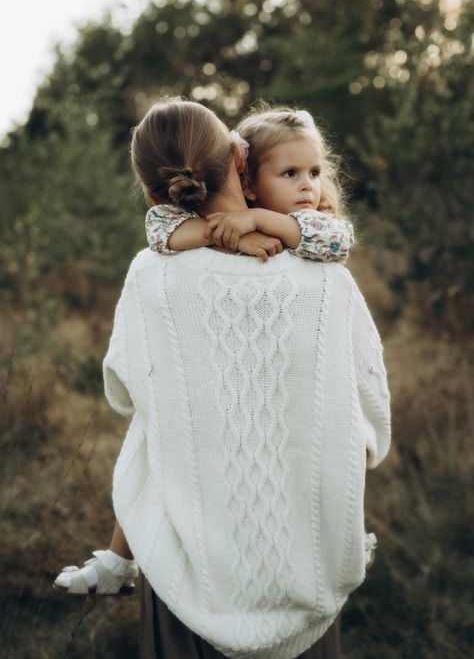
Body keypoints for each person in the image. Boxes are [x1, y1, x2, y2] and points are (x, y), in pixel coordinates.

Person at [58, 98, 391, 658]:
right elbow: (368, 417)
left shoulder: (150, 276)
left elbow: (125, 394)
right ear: (241, 159)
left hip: (189, 562)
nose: (308, 184)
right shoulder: (327, 283)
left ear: (153, 189)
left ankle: (118, 561)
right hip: (301, 559)